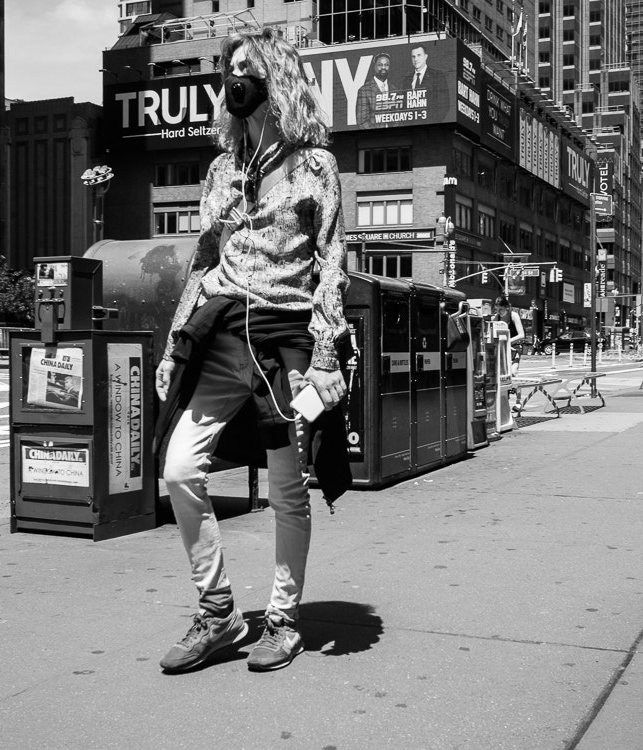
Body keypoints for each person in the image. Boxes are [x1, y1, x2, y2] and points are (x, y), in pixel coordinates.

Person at [154, 28, 351, 675]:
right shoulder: (220, 171)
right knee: (179, 466)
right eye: (229, 71)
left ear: (279, 81)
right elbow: (203, 260)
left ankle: (285, 620)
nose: (235, 81)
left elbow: (331, 268)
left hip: (287, 335)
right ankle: (220, 613)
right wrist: (175, 342)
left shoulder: (313, 167)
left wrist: (325, 359)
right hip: (225, 331)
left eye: (248, 70)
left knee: (288, 491)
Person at [492, 296, 525, 411]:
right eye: (497, 310)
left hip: (515, 346)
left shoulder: (513, 316)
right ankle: (504, 401)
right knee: (502, 376)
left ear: (507, 307)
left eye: (501, 310)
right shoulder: (496, 318)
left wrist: (508, 341)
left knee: (513, 372)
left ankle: (518, 402)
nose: (499, 312)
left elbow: (522, 335)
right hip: (502, 347)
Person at [408, 44, 449, 116]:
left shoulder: (437, 75)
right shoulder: (407, 80)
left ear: (425, 57)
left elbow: (444, 103)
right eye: (413, 57)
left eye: (419, 55)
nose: (416, 59)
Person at [357, 53, 391, 129]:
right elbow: (362, 121)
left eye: (386, 65)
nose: (383, 67)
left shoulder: (394, 89)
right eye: (380, 65)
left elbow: (399, 118)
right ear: (374, 67)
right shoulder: (364, 90)